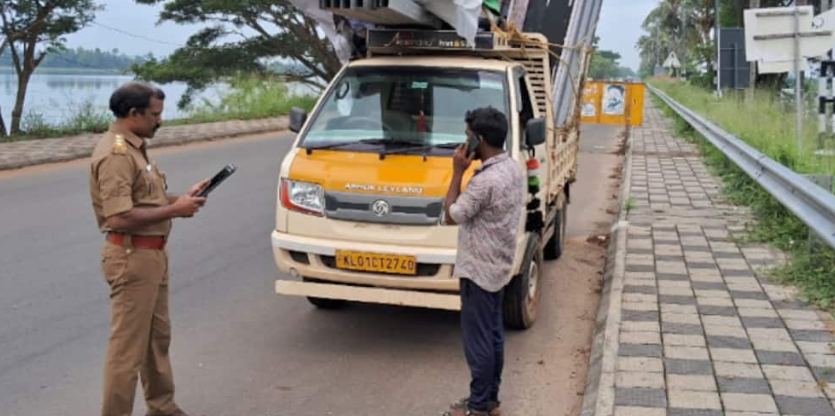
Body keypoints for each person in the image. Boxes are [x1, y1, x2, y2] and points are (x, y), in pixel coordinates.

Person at [89, 82, 209, 416]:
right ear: (133, 114)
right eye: (155, 115)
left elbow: (145, 200)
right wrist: (174, 210)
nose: (160, 120)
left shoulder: (135, 147)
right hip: (131, 258)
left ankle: (162, 408)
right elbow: (120, 215)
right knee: (126, 352)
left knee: (157, 340)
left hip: (152, 255)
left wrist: (184, 198)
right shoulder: (116, 155)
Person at [443, 107, 524, 416]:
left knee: (478, 345)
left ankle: (477, 407)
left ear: (477, 140)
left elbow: (452, 215)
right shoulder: (512, 169)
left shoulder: (484, 181)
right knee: (493, 337)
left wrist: (457, 172)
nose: (464, 144)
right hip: (499, 266)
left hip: (478, 271)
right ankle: (490, 401)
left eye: (467, 138)